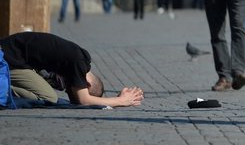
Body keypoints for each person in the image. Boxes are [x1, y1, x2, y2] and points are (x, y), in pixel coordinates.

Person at [0, 32, 143, 107]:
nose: (67, 90)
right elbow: (84, 100)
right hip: (9, 59)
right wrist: (120, 101)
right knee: (49, 97)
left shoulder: (81, 57)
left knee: (46, 92)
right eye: (71, 89)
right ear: (86, 84)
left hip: (15, 58)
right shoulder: (78, 63)